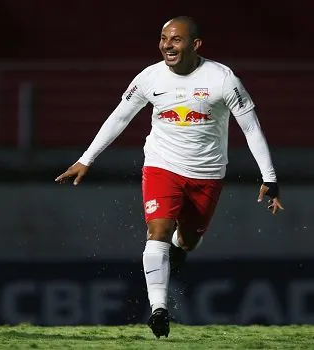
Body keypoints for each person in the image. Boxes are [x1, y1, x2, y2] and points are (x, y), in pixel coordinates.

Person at [55, 16, 284, 338]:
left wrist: (269, 178)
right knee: (157, 229)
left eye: (176, 39)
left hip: (207, 173)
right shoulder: (150, 77)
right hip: (162, 165)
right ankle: (159, 308)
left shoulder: (222, 79)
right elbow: (119, 116)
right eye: (163, 39)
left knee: (188, 241)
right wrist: (86, 159)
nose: (167, 45)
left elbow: (251, 128)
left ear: (195, 44)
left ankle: (179, 245)